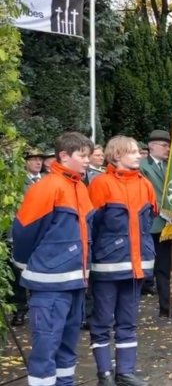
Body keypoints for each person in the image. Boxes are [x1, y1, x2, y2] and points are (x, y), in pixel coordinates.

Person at [12, 132, 95, 386]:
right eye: (82, 155)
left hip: (75, 282)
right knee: (46, 347)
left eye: (89, 156)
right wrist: (32, 265)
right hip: (49, 284)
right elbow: (25, 232)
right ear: (64, 156)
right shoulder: (47, 187)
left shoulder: (79, 186)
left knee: (67, 347)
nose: (87, 161)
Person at [87, 136, 156, 386]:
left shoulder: (145, 184)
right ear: (117, 155)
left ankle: (125, 372)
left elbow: (149, 222)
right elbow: (90, 226)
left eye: (138, 152)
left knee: (128, 323)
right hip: (107, 267)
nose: (139, 155)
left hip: (136, 269)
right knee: (102, 322)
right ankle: (104, 373)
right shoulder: (101, 184)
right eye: (133, 152)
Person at [138, 130, 172, 318]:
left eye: (169, 145)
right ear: (152, 146)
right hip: (149, 223)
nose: (168, 149)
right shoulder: (142, 166)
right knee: (143, 267)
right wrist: (162, 210)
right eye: (164, 145)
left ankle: (167, 307)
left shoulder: (169, 167)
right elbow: (144, 192)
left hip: (167, 225)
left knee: (165, 267)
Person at [8, 148, 45, 326]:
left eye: (40, 159)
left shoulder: (47, 180)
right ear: (26, 162)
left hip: (42, 234)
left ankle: (40, 308)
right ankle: (20, 310)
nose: (38, 162)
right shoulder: (17, 182)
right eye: (33, 159)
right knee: (19, 273)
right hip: (23, 232)